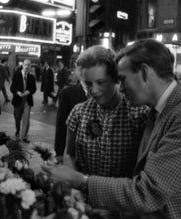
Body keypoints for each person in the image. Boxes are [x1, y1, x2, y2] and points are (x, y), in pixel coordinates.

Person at [44, 39, 181, 219]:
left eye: (122, 79)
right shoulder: (161, 110)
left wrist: (81, 181)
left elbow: (149, 191)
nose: (122, 88)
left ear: (144, 72)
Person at [62, 46, 150, 180]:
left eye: (100, 82)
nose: (94, 90)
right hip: (84, 195)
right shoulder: (78, 112)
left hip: (122, 196)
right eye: (88, 84)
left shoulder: (139, 114)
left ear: (115, 79)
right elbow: (69, 154)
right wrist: (74, 182)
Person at [54, 79, 88, 160]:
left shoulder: (103, 93)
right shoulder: (67, 93)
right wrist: (59, 153)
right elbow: (61, 124)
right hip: (75, 153)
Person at [10, 59, 37, 142]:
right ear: (23, 65)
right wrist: (17, 92)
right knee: (17, 118)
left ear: (30, 67)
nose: (27, 67)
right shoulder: (17, 75)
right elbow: (12, 87)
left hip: (27, 101)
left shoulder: (31, 77)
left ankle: (24, 136)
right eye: (25, 65)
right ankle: (18, 130)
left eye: (28, 65)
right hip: (18, 100)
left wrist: (28, 92)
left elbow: (34, 88)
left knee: (26, 119)